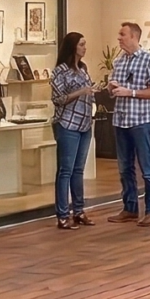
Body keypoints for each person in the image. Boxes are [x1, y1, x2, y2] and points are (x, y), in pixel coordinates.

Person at [106, 21, 150, 226]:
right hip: (121, 120)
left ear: (134, 36)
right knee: (125, 168)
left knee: (147, 168)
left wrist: (130, 92)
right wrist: (111, 87)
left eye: (122, 34)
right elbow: (114, 90)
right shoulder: (119, 61)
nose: (119, 38)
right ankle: (130, 208)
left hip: (141, 121)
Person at [49, 32, 98, 229]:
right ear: (73, 47)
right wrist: (80, 92)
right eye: (81, 44)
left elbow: (88, 93)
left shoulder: (83, 69)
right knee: (65, 170)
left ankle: (79, 210)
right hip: (67, 124)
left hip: (85, 124)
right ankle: (62, 214)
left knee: (78, 170)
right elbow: (58, 99)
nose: (84, 48)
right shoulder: (60, 72)